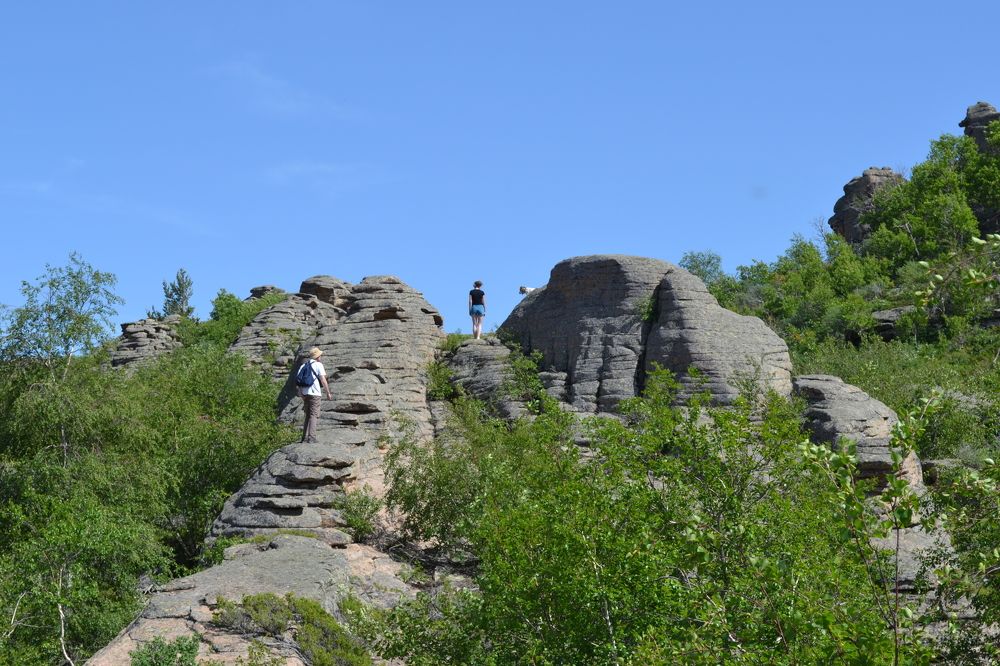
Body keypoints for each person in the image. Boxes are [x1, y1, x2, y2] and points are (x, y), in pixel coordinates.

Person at [299, 347, 332, 443]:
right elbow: (323, 379)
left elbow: (298, 381)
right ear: (318, 356)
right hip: (315, 393)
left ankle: (304, 438)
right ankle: (311, 437)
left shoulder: (303, 366)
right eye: (320, 355)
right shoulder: (318, 365)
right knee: (314, 415)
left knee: (308, 415)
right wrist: (328, 392)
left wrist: (301, 394)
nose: (321, 356)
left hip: (305, 394)